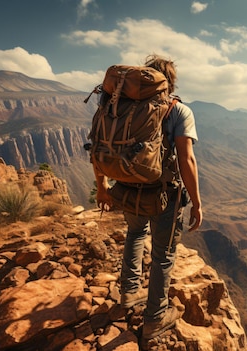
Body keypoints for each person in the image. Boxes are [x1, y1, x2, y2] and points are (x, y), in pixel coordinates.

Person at [94, 54, 203, 341]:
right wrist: (197, 202)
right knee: (163, 255)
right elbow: (186, 160)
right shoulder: (178, 111)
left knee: (134, 233)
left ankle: (128, 294)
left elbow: (99, 149)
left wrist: (102, 187)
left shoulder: (115, 106)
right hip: (164, 194)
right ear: (169, 82)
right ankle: (155, 317)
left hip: (126, 187)